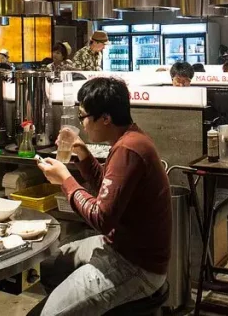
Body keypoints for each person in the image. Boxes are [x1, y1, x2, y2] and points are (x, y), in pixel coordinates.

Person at [34, 78, 170, 315]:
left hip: (136, 265)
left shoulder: (128, 149)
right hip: (118, 246)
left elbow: (101, 218)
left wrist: (65, 180)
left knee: (49, 314)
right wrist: (84, 155)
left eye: (84, 117)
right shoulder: (128, 139)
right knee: (51, 266)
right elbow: (109, 193)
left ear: (105, 118)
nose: (82, 124)